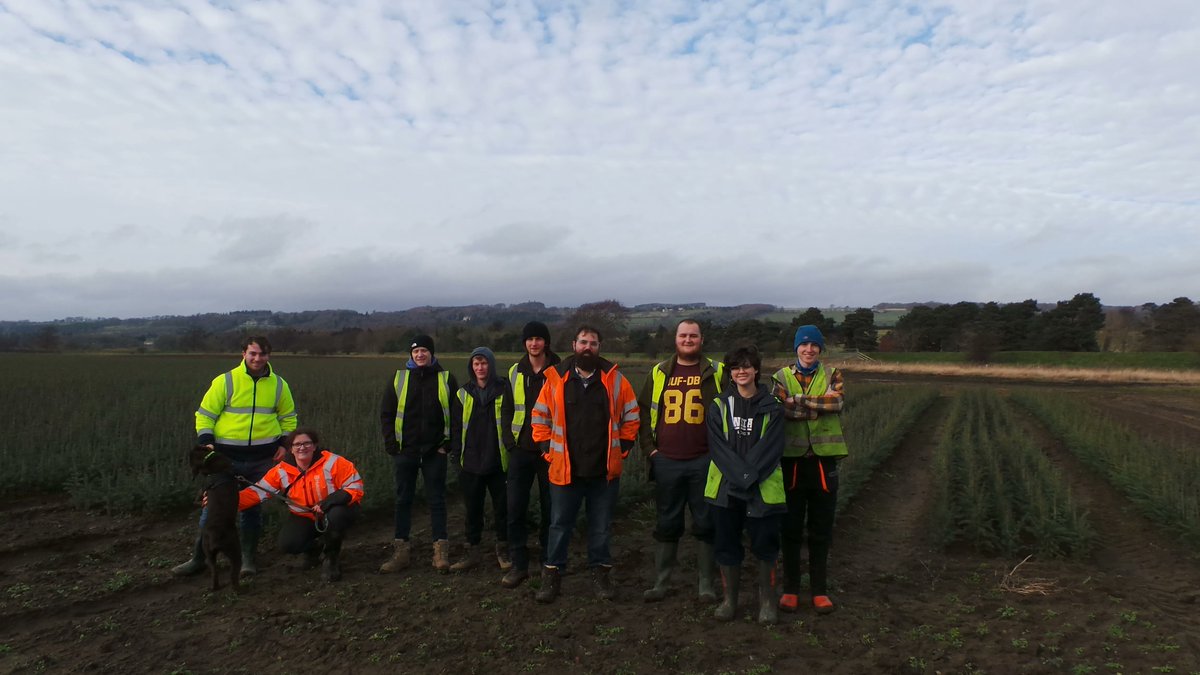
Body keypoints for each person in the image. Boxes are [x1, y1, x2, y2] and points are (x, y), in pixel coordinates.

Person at [531, 325, 639, 603]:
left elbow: (631, 415)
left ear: (599, 347)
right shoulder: (556, 378)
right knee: (559, 525)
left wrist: (623, 449)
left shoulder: (616, 380)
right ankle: (552, 577)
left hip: (603, 472)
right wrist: (547, 451)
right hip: (565, 471)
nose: (587, 347)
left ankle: (600, 576)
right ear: (574, 345)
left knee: (600, 527)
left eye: (593, 343)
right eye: (583, 342)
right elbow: (540, 416)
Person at [174, 335, 297, 577]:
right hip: (225, 460)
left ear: (269, 355)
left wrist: (284, 444)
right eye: (253, 353)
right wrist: (206, 442)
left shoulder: (279, 385)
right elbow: (205, 415)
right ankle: (199, 558)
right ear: (243, 354)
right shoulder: (225, 381)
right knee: (213, 510)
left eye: (262, 354)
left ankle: (248, 559)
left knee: (252, 510)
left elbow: (288, 417)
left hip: (262, 459)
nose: (257, 358)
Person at [638, 319, 725, 602]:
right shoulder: (659, 372)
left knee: (706, 523)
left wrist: (720, 454)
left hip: (705, 461)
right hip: (667, 461)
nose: (688, 340)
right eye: (683, 335)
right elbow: (643, 412)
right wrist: (650, 450)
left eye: (693, 336)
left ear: (702, 339)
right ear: (675, 339)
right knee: (667, 522)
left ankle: (706, 584)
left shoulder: (718, 371)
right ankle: (661, 582)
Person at [705, 345, 786, 624]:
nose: (741, 371)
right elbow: (718, 448)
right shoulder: (718, 406)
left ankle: (767, 603)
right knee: (726, 544)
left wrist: (748, 478)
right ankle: (730, 601)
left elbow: (771, 448)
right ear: (730, 372)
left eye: (747, 366)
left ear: (756, 370)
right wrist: (741, 477)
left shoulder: (773, 407)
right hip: (725, 489)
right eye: (736, 367)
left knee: (765, 544)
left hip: (762, 489)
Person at [771, 325, 847, 615]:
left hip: (823, 462)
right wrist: (819, 405)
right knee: (790, 528)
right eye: (804, 345)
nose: (809, 350)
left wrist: (799, 400)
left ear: (820, 349)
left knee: (821, 529)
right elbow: (780, 409)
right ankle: (790, 589)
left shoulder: (833, 374)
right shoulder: (780, 377)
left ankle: (819, 590)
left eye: (814, 345)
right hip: (791, 461)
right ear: (796, 348)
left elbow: (836, 402)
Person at [237, 428, 364, 582]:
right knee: (288, 544)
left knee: (336, 517)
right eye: (297, 444)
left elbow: (355, 487)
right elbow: (256, 493)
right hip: (305, 516)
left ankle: (331, 558)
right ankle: (315, 549)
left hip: (334, 510)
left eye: (307, 443)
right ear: (291, 449)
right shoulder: (281, 471)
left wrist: (327, 503)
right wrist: (226, 503)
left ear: (314, 446)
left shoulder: (333, 462)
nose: (302, 447)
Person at [379, 335, 458, 574]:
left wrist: (448, 445)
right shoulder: (399, 378)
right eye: (416, 351)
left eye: (424, 350)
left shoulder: (446, 379)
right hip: (406, 451)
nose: (420, 355)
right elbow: (387, 413)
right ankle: (401, 552)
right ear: (411, 355)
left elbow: (457, 415)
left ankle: (440, 552)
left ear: (432, 353)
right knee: (403, 500)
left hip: (435, 451)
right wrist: (392, 445)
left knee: (437, 500)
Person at [501, 321, 561, 588]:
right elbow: (507, 409)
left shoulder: (560, 370)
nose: (534, 343)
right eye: (530, 339)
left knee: (551, 509)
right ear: (524, 343)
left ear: (546, 342)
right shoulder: (515, 371)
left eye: (538, 338)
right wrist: (509, 443)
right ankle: (519, 565)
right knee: (515, 509)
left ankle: (549, 563)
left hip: (551, 452)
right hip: (521, 451)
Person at [448, 347, 515, 572]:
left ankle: (503, 550)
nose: (480, 368)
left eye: (484, 363)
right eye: (476, 364)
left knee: (503, 510)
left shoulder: (505, 390)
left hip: (499, 462)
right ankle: (471, 551)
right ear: (471, 367)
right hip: (471, 463)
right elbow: (456, 428)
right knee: (472, 510)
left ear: (491, 365)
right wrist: (456, 457)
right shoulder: (463, 394)